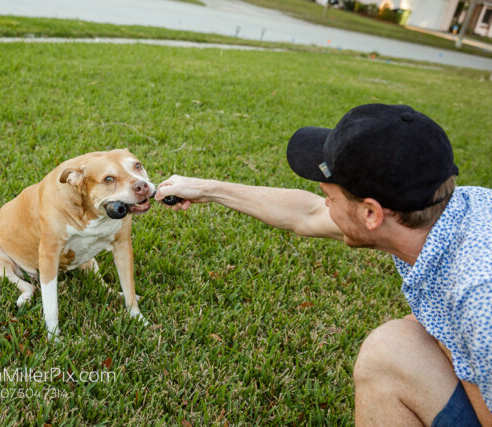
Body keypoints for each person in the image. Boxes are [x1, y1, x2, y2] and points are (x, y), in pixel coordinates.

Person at [154, 104, 492, 426]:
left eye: (330, 196)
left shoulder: (477, 294)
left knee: (390, 352)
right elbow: (308, 213)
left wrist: (450, 344)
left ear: (371, 214)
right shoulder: (447, 209)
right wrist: (208, 190)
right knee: (406, 340)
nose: (325, 204)